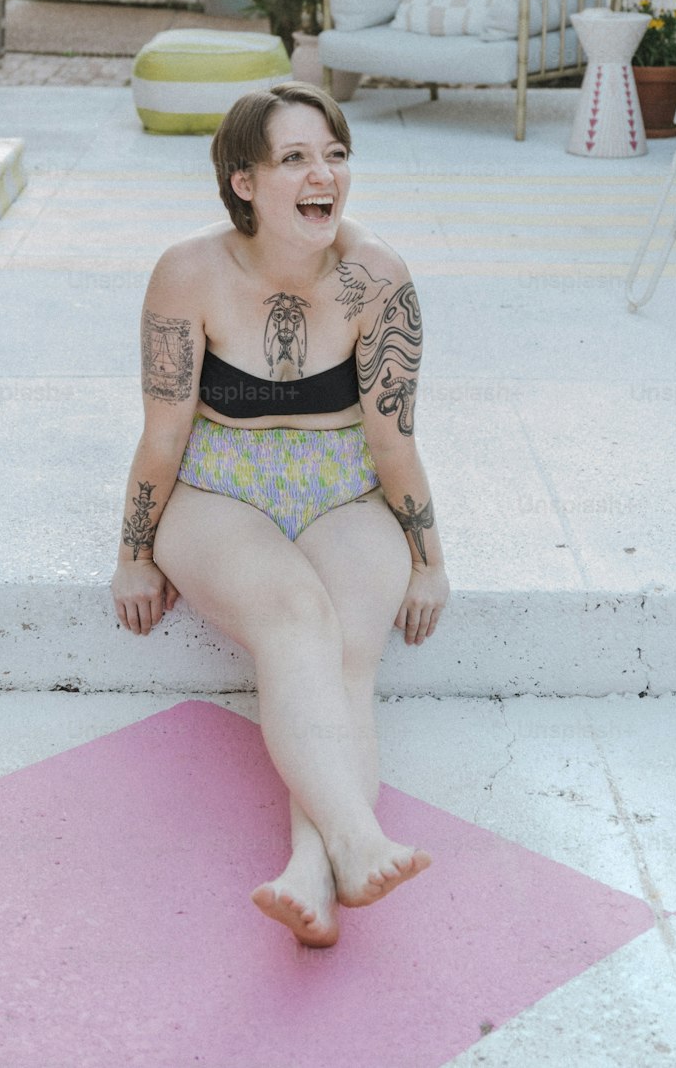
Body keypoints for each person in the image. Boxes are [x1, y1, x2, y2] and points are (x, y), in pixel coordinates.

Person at [111, 81, 448, 947]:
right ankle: (356, 840)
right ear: (243, 182)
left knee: (349, 659)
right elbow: (161, 435)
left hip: (343, 483)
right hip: (219, 484)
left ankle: (313, 871)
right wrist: (134, 553)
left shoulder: (379, 274)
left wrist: (430, 557)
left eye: (334, 154)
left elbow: (395, 442)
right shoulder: (188, 272)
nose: (322, 175)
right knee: (297, 617)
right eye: (294, 157)